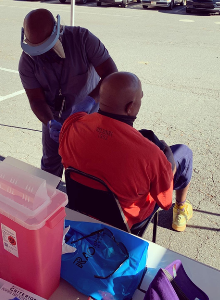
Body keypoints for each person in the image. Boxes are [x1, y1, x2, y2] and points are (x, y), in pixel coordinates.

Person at [59, 72, 193, 232]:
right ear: (130, 107)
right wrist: (169, 160)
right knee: (184, 153)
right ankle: (181, 208)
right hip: (125, 224)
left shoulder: (73, 125)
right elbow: (164, 201)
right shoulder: (151, 154)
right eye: (140, 97)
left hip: (81, 209)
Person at [18, 8, 118, 177]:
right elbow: (36, 100)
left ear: (58, 31)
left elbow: (111, 74)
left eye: (47, 47)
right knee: (50, 169)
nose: (42, 55)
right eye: (37, 49)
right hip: (54, 122)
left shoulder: (84, 39)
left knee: (87, 169)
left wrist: (90, 100)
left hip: (89, 119)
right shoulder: (27, 61)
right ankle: (50, 201)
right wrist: (49, 122)